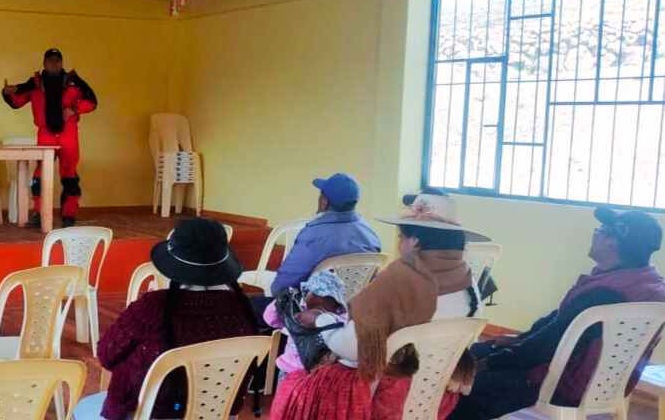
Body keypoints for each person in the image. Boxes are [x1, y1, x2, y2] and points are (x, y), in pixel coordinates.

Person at [271, 191, 486, 420]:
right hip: (433, 393)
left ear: (415, 242)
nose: (399, 242)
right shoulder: (469, 284)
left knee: (293, 380)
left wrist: (321, 319)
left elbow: (351, 349)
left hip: (375, 397)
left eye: (402, 236)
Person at [449, 208, 665, 420]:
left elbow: (545, 347)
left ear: (612, 242)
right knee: (477, 352)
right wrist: (517, 340)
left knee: (459, 381)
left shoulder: (602, 294)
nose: (595, 233)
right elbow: (557, 322)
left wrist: (492, 361)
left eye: (601, 229)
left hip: (560, 383)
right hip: (607, 383)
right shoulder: (650, 286)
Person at [72, 218, 258, 420]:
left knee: (81, 409)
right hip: (217, 413)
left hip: (152, 414)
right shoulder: (243, 308)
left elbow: (107, 354)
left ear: (174, 265)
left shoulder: (153, 307)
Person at [2, 48, 97, 228]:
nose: (54, 63)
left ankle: (69, 214)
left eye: (57, 60)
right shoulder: (35, 83)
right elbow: (17, 101)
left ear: (62, 62)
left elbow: (92, 102)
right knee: (39, 175)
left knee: (69, 175)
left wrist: (75, 109)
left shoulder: (73, 81)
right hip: (45, 134)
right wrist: (7, 93)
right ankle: (39, 213)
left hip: (68, 133)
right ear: (44, 63)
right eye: (50, 60)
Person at [270, 173, 382, 297]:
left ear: (324, 202)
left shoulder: (313, 235)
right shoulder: (370, 234)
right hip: (352, 311)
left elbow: (281, 287)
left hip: (312, 311)